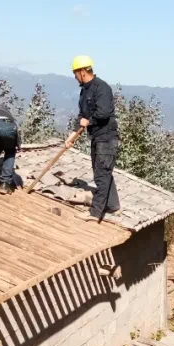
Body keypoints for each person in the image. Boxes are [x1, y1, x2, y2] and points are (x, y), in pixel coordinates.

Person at [68, 55, 120, 221]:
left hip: (107, 138)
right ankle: (113, 206)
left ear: (83, 71)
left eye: (75, 73)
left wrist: (88, 121)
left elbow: (103, 113)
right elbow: (82, 116)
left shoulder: (102, 88)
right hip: (96, 137)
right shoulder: (84, 91)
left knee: (101, 175)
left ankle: (95, 213)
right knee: (102, 172)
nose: (75, 77)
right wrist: (73, 135)